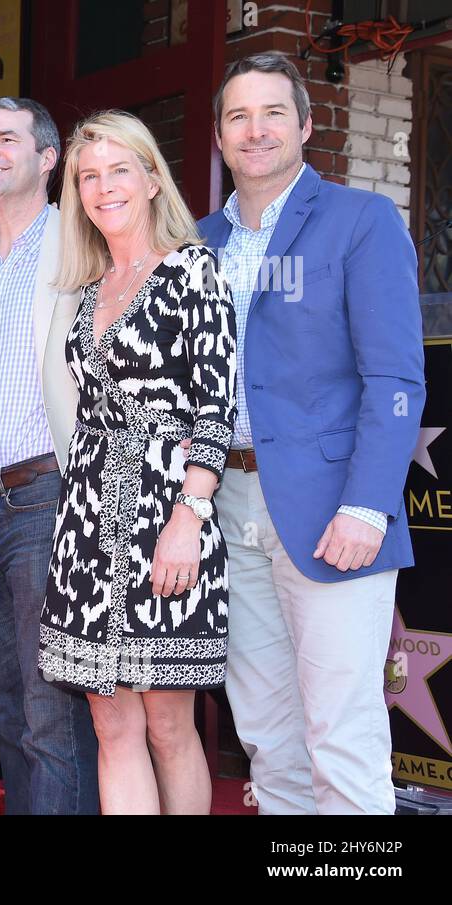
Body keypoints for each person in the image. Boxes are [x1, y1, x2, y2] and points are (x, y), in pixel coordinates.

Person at [199, 52, 424, 815]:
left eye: (271, 113)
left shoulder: (361, 222)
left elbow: (395, 380)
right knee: (267, 733)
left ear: (304, 123)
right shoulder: (198, 243)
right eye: (238, 116)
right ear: (220, 137)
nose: (255, 130)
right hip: (225, 507)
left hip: (331, 508)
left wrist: (368, 504)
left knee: (340, 729)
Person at [36, 111, 237, 815]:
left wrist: (190, 514)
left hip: (166, 511)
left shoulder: (193, 267)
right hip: (88, 518)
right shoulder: (88, 287)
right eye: (88, 176)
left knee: (167, 723)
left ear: (153, 179)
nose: (103, 186)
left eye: (120, 169)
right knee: (111, 721)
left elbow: (217, 406)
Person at [0, 97, 99, 815]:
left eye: (8, 138)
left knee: (51, 711)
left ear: (48, 157)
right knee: (2, 706)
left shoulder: (84, 245)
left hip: (46, 494)